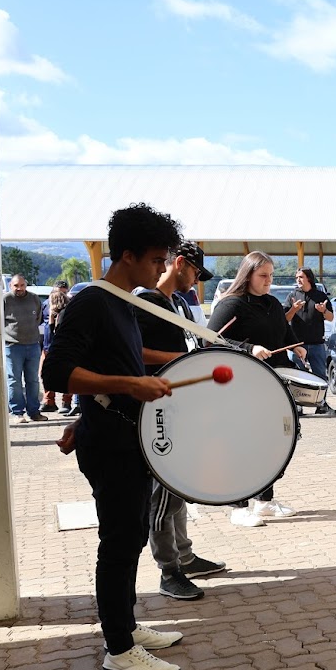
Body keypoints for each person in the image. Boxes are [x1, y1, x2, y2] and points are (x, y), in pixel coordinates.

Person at [42, 202, 183, 670]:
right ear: (127, 255)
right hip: (112, 444)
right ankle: (118, 648)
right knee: (119, 543)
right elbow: (56, 370)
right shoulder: (92, 300)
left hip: (121, 436)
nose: (162, 268)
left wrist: (175, 362)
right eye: (156, 259)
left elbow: (123, 353)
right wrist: (130, 386)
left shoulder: (122, 301)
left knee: (133, 535)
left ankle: (126, 625)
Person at [135, 241, 227, 599]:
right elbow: (136, 351)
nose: (197, 281)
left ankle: (184, 557)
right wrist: (182, 357)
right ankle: (168, 571)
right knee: (163, 491)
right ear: (181, 264)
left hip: (177, 405)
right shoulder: (146, 303)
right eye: (196, 273)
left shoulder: (179, 305)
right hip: (157, 409)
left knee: (178, 486)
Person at [208, 251, 306, 526]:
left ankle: (264, 500)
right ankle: (237, 506)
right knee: (240, 444)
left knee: (271, 444)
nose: (268, 281)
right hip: (241, 384)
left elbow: (283, 330)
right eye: (263, 276)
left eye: (271, 276)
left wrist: (296, 344)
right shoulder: (231, 305)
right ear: (247, 274)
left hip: (272, 383)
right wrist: (250, 349)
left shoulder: (273, 304)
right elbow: (212, 341)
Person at [286, 267, 336, 416]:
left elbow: (331, 317)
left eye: (301, 277)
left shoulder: (320, 295)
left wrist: (323, 311)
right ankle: (298, 406)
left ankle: (321, 404)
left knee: (320, 376)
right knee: (296, 377)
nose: (298, 280)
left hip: (316, 343)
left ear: (309, 278)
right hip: (296, 345)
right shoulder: (292, 296)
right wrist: (294, 309)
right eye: (297, 277)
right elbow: (285, 319)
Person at [3, 274, 47, 423]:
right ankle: (17, 412)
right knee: (14, 380)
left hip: (33, 345)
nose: (19, 288)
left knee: (33, 380)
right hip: (13, 346)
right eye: (16, 286)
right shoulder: (5, 300)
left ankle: (34, 412)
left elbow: (39, 318)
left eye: (22, 285)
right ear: (11, 286)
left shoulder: (34, 298)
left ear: (25, 285)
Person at [42, 280, 71, 413]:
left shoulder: (68, 309)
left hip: (64, 348)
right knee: (45, 373)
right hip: (48, 346)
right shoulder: (45, 305)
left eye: (64, 293)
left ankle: (66, 402)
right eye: (58, 293)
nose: (61, 296)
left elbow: (57, 331)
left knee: (66, 375)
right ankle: (49, 401)